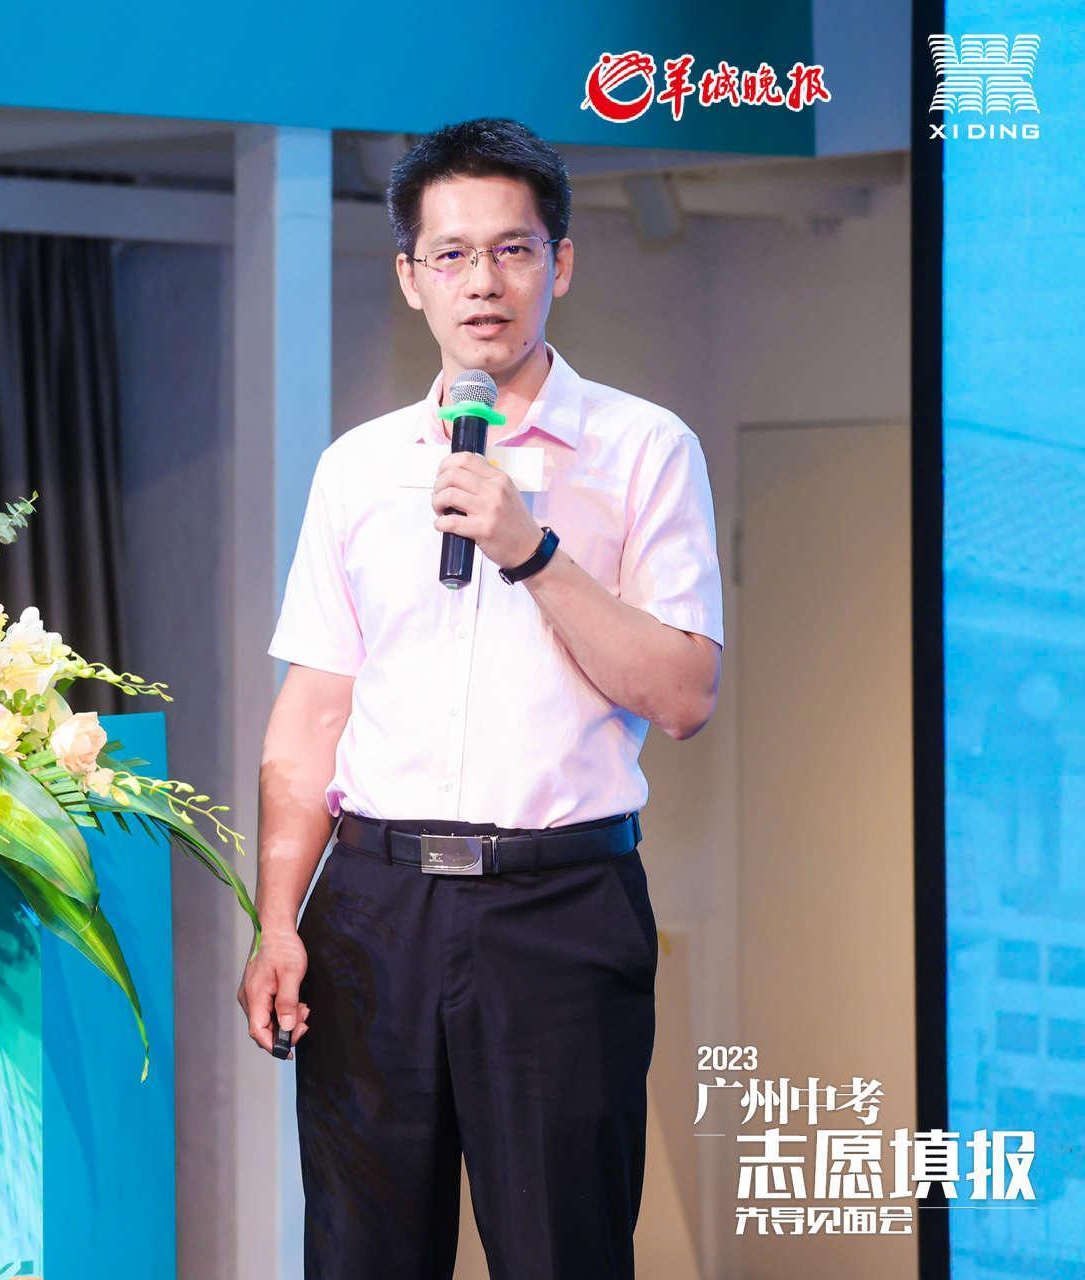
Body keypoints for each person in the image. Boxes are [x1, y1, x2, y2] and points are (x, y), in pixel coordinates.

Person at [237, 117, 724, 1278]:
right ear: (411, 277)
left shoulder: (644, 448)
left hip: (558, 908)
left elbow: (684, 691)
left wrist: (531, 548)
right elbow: (312, 714)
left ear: (561, 263)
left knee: (564, 1250)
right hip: (372, 907)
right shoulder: (358, 468)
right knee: (358, 1254)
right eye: (450, 254)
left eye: (512, 250)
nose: (483, 282)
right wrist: (276, 919)